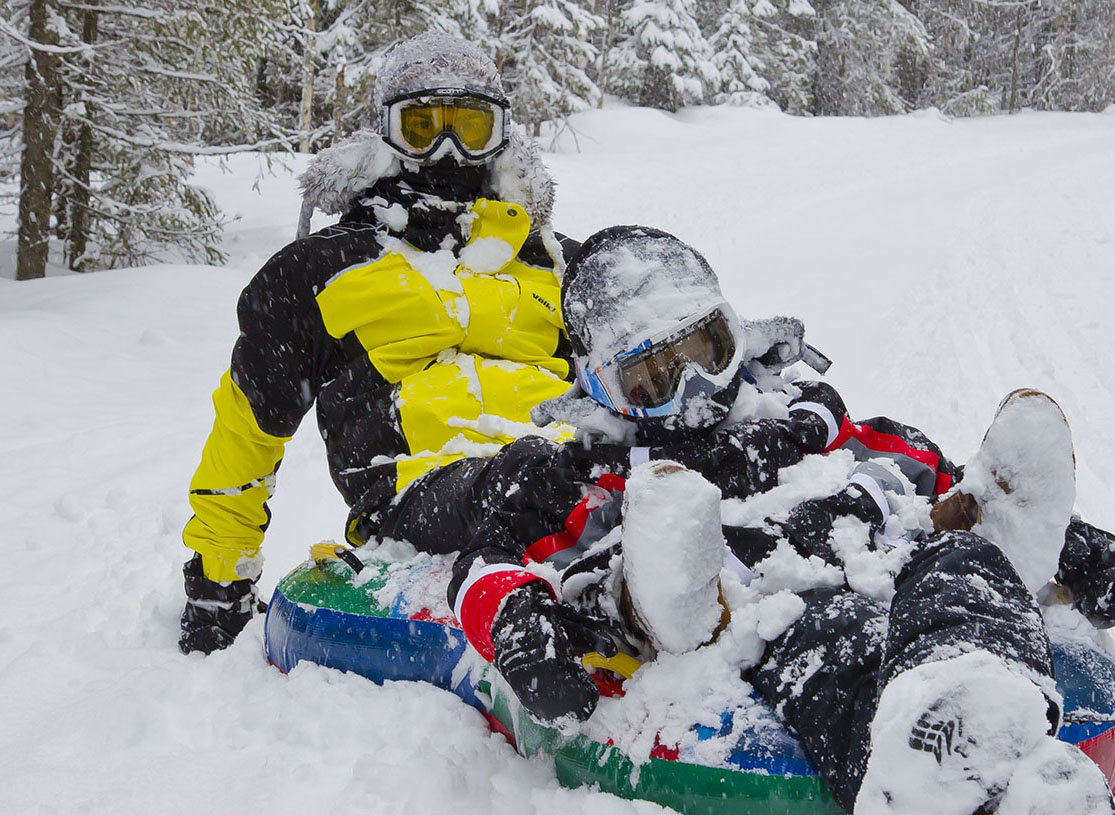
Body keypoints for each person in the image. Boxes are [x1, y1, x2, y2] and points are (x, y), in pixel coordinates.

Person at [428, 226, 1115, 814]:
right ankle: (664, 600)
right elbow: (484, 562)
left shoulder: (809, 426)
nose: (690, 391)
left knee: (966, 564)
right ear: (600, 390)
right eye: (651, 379)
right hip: (760, 612)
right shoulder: (588, 481)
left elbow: (928, 472)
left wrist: (1072, 550)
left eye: (702, 354)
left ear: (734, 335)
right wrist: (516, 623)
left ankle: (1006, 739)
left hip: (893, 561)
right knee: (830, 634)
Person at [178, 32, 579, 654]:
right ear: (388, 138)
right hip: (418, 493)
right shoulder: (322, 269)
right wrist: (217, 577)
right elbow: (247, 429)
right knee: (540, 479)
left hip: (574, 471)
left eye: (470, 128)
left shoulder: (553, 263)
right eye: (423, 127)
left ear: (501, 140)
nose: (448, 150)